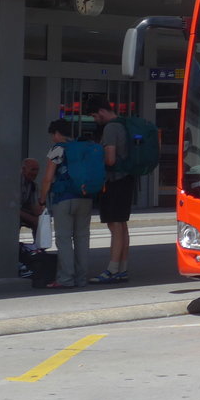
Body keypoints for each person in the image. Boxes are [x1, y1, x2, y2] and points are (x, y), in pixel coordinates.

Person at [38, 119, 93, 289]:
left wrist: (42, 199)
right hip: (85, 198)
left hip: (64, 199)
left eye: (52, 135)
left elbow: (48, 178)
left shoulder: (57, 149)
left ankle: (66, 279)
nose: (52, 139)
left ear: (56, 133)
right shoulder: (83, 147)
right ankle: (82, 279)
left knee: (64, 239)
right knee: (82, 239)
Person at [85, 99, 133, 284]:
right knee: (122, 225)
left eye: (95, 116)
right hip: (127, 179)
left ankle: (112, 269)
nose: (96, 120)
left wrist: (96, 159)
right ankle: (122, 268)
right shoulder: (125, 124)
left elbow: (110, 159)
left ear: (101, 111)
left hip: (114, 181)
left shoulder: (111, 128)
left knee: (114, 226)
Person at [19, 158, 41, 234]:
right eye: (33, 169)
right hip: (8, 213)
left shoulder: (33, 186)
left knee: (41, 222)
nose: (35, 173)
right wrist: (32, 219)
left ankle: (38, 245)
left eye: (37, 170)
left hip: (21, 212)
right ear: (23, 169)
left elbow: (34, 208)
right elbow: (11, 209)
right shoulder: (14, 183)